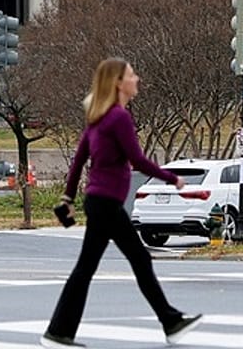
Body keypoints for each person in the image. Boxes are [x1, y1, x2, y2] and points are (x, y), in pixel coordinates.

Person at [43, 57, 201, 348]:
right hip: (106, 204)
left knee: (93, 267)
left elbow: (78, 162)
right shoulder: (117, 118)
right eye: (131, 75)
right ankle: (169, 321)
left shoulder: (98, 118)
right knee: (125, 262)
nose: (136, 79)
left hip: (99, 202)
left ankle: (60, 331)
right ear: (118, 83)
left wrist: (68, 196)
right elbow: (137, 159)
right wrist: (172, 178)